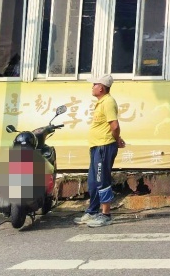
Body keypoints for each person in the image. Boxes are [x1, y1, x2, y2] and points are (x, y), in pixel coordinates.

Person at [76, 74, 125, 227]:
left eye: (94, 85)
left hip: (104, 146)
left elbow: (114, 126)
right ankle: (92, 211)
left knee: (102, 180)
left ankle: (106, 214)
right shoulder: (101, 102)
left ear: (101, 88)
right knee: (93, 181)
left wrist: (117, 140)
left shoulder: (108, 102)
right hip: (97, 146)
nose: (92, 87)